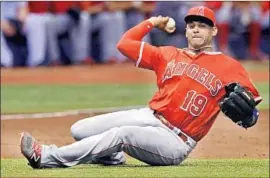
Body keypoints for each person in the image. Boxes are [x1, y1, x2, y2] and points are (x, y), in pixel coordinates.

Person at [20, 6, 262, 169]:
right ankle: (112, 157)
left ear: (214, 31)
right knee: (80, 129)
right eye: (192, 25)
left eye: (203, 25)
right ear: (186, 30)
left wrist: (249, 115)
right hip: (148, 117)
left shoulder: (229, 66)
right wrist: (152, 22)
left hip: (176, 140)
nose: (196, 29)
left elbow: (251, 111)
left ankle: (47, 156)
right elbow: (125, 44)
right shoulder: (167, 54)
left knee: (120, 134)